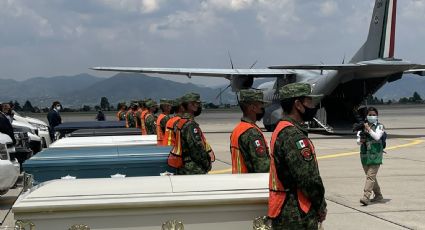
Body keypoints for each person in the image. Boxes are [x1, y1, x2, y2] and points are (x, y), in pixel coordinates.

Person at [268, 83, 327, 229]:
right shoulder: (293, 136)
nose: (313, 106)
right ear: (298, 105)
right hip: (297, 215)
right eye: (309, 101)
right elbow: (308, 179)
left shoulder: (282, 128)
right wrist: (320, 205)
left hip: (287, 210)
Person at [171, 93, 213, 175]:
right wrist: (207, 164)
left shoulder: (180, 122)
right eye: (196, 103)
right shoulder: (190, 125)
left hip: (185, 167)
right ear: (190, 105)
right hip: (194, 169)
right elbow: (197, 150)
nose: (198, 106)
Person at [230, 89, 269, 173]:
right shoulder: (252, 133)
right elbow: (262, 167)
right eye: (261, 105)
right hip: (250, 182)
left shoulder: (237, 129)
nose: (263, 108)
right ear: (253, 108)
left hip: (239, 180)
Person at [357, 107, 385, 205]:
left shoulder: (380, 126)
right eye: (370, 115)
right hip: (365, 155)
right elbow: (358, 141)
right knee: (371, 177)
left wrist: (368, 129)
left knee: (370, 177)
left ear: (377, 116)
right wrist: (361, 140)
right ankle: (378, 195)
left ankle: (366, 197)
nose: (372, 116)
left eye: (373, 115)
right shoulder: (362, 126)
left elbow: (377, 137)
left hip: (376, 155)